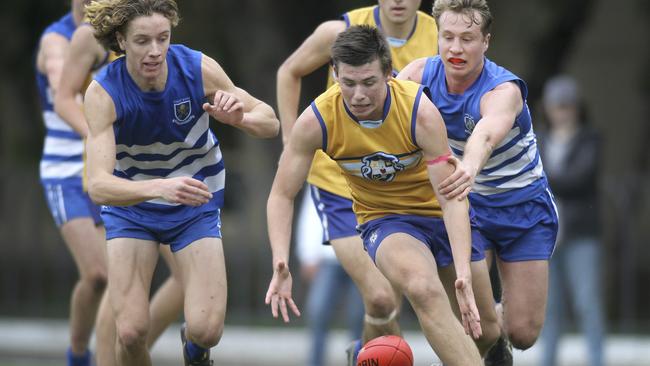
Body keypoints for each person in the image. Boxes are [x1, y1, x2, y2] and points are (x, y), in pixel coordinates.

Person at [266, 25, 501, 366]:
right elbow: (282, 194)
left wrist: (463, 271)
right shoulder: (317, 121)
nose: (358, 94)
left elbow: (450, 198)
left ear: (389, 75)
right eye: (348, 83)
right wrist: (280, 260)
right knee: (423, 288)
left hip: (439, 211)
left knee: (487, 331)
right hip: (386, 221)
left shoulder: (418, 112)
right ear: (335, 74)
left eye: (369, 83)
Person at [82, 1, 279, 365]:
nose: (155, 51)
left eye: (163, 38)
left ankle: (195, 349)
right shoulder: (103, 93)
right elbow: (98, 185)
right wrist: (159, 188)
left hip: (195, 204)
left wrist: (239, 119)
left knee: (208, 330)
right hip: (133, 211)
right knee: (130, 333)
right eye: (142, 41)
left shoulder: (197, 68)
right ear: (121, 41)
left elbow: (270, 122)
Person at [398, 0, 559, 365]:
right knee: (475, 324)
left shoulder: (504, 89)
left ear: (485, 41)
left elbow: (485, 135)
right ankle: (486, 345)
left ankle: (502, 328)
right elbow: (386, 114)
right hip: (467, 209)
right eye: (448, 37)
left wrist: (468, 167)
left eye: (467, 38)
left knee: (524, 333)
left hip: (524, 209)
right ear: (437, 37)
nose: (456, 48)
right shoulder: (417, 77)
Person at [276, 2, 438, 363]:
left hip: (399, 188)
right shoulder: (340, 31)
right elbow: (289, 71)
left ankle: (364, 354)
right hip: (338, 183)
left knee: (389, 301)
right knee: (380, 295)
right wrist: (291, 141)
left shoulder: (439, 36)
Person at [53, 19, 184, 366]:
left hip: (157, 167)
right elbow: (64, 97)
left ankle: (129, 351)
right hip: (115, 170)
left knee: (189, 280)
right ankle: (102, 358)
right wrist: (100, 132)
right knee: (118, 280)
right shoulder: (89, 35)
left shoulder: (148, 26)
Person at [35, 1, 106, 365]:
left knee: (119, 279)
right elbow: (60, 77)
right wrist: (96, 134)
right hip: (65, 171)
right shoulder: (56, 38)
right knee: (97, 275)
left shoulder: (118, 32)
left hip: (106, 168)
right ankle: (78, 356)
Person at [537, 75, 605, 366]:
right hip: (547, 236)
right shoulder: (538, 138)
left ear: (577, 108)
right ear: (548, 109)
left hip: (581, 236)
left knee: (587, 303)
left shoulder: (591, 138)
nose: (562, 112)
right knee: (549, 309)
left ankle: (597, 361)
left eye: (567, 105)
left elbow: (581, 178)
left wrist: (544, 181)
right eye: (557, 105)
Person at [295, 189, 364, 366]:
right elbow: (311, 215)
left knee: (359, 317)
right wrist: (308, 254)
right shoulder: (321, 170)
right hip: (327, 257)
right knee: (318, 312)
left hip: (362, 257)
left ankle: (359, 361)